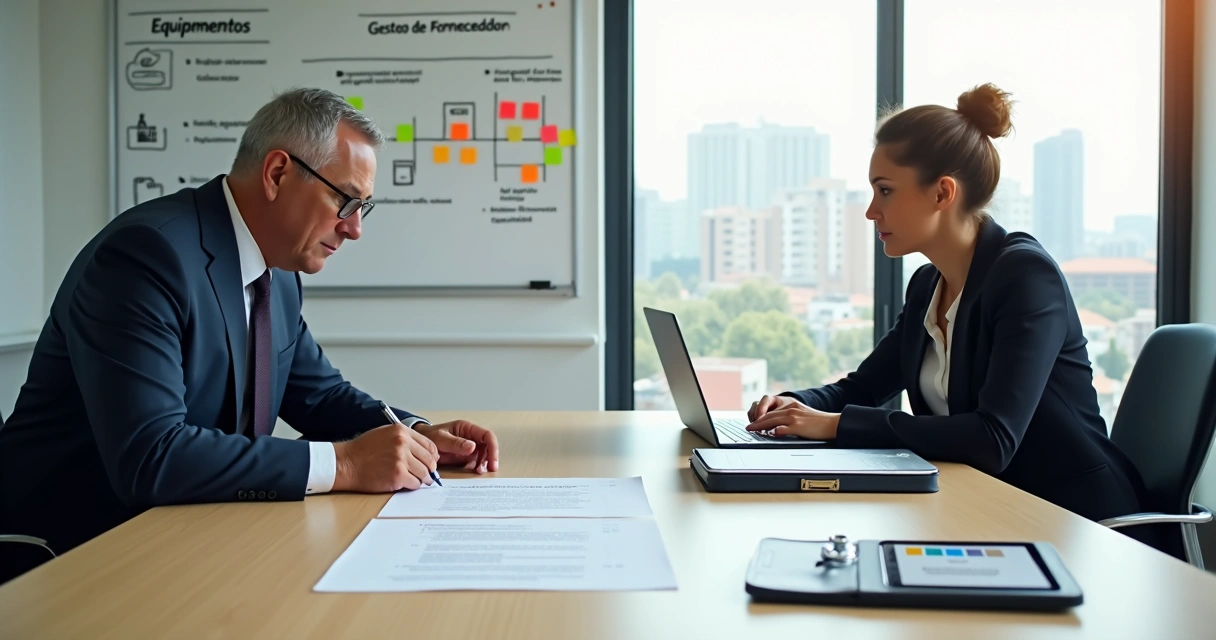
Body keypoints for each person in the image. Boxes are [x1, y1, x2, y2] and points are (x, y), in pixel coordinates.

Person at [0, 88, 500, 579]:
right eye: (346, 201)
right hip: (68, 554)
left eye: (361, 208)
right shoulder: (145, 257)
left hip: (188, 540)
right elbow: (150, 457)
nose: (354, 229)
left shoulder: (277, 270)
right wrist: (346, 464)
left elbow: (320, 397)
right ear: (278, 172)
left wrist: (414, 434)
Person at [744, 84, 1164, 546]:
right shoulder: (928, 284)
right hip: (982, 511)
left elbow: (992, 439)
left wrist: (835, 425)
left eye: (885, 191)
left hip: (1074, 525)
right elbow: (863, 388)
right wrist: (790, 406)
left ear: (942, 192)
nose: (870, 211)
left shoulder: (1025, 276)